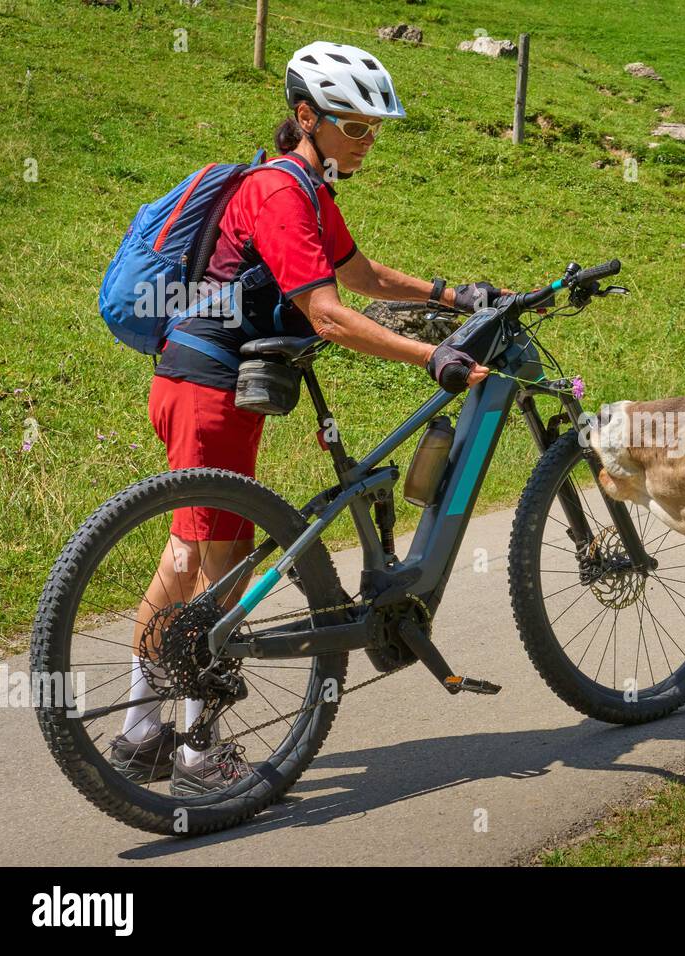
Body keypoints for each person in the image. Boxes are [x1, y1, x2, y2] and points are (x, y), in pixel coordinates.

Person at [110, 41, 500, 795]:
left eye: (373, 127)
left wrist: (451, 297)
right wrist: (431, 358)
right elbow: (329, 314)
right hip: (209, 387)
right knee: (215, 569)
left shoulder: (306, 186)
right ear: (305, 116)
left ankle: (142, 731)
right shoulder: (280, 192)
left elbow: (360, 274)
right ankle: (195, 751)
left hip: (197, 382)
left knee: (188, 557)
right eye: (354, 125)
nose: (367, 139)